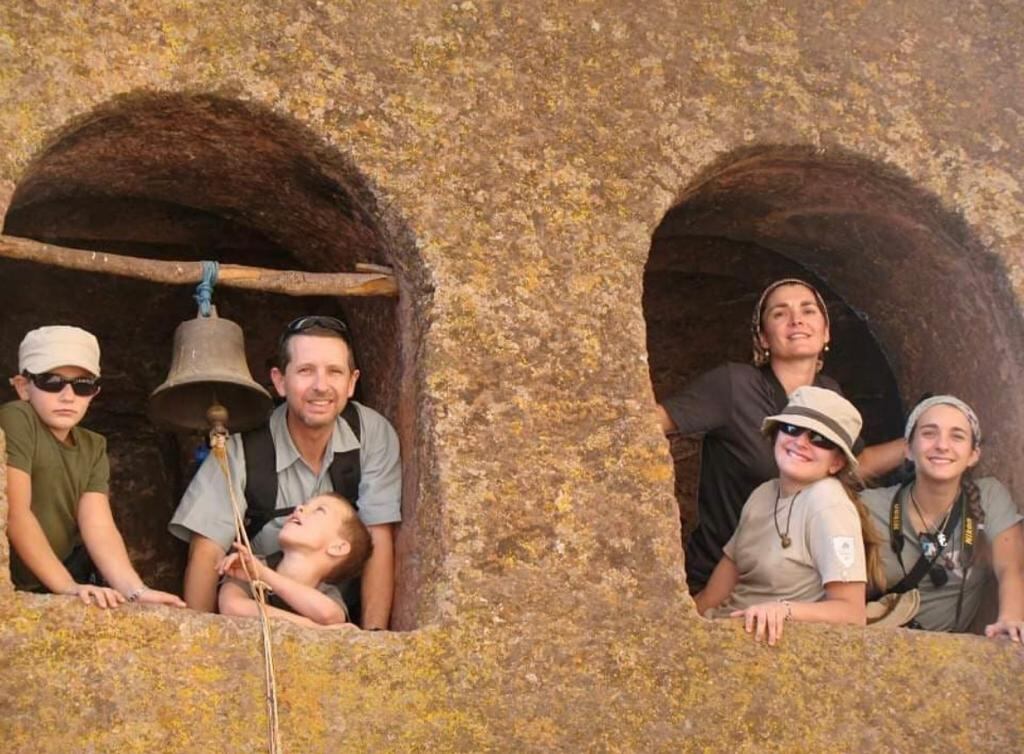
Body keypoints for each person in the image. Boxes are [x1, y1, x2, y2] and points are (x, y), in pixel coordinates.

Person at [655, 278, 903, 592]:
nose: (796, 319)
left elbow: (852, 462)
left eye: (808, 310)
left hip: (793, 581)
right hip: (725, 576)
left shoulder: (829, 393)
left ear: (826, 331)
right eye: (779, 313)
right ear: (763, 338)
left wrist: (916, 445)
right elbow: (650, 424)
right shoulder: (734, 385)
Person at [170, 315, 401, 629]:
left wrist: (374, 637)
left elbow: (378, 536)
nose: (321, 386)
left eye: (334, 371)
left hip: (334, 610)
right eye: (305, 371)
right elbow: (206, 550)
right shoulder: (243, 449)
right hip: (257, 616)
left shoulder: (371, 434)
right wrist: (196, 643)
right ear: (279, 381)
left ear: (351, 383)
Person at [0, 326, 185, 608]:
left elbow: (98, 524)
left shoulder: (93, 446)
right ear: (23, 387)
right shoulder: (17, 418)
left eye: (82, 385)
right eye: (51, 381)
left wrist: (136, 591)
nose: (67, 395)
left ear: (94, 392)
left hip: (49, 579)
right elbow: (16, 511)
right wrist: (67, 587)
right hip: (22, 579)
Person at [694, 386, 885, 645]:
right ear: (776, 435)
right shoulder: (763, 493)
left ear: (837, 462)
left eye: (820, 439)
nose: (801, 442)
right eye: (793, 428)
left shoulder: (828, 503)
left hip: (761, 644)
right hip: (720, 631)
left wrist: (783, 610)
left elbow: (852, 613)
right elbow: (712, 596)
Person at [862, 396, 1024, 639]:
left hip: (946, 655)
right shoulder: (871, 505)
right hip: (875, 644)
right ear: (907, 448)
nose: (942, 445)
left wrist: (1010, 619)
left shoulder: (987, 497)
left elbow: (1011, 568)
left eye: (957, 436)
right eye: (929, 434)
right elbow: (834, 469)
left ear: (973, 455)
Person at [218, 492, 372, 628]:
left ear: (338, 547)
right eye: (304, 504)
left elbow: (330, 617)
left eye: (319, 510)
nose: (299, 508)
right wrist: (315, 629)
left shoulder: (326, 593)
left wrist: (263, 575)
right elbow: (232, 606)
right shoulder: (251, 564)